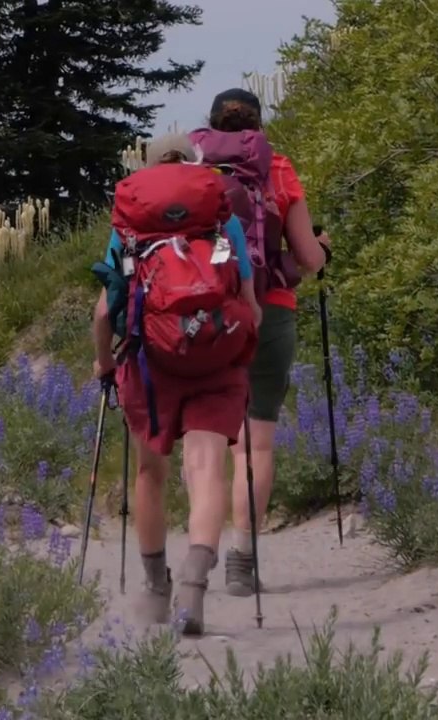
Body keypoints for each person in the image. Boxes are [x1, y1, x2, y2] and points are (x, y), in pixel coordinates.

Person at [91, 133, 260, 635]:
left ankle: (155, 587)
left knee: (150, 473)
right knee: (207, 469)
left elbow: (104, 312)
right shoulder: (221, 219)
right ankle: (193, 582)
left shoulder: (131, 225)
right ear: (194, 168)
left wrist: (105, 365)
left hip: (150, 361)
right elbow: (251, 306)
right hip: (216, 357)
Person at [197, 88, 330, 597]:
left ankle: (198, 554)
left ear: (210, 126)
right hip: (271, 310)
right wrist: (321, 247)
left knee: (207, 440)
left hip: (205, 314)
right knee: (257, 442)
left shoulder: (192, 174)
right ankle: (241, 559)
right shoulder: (279, 170)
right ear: (258, 126)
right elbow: (309, 259)